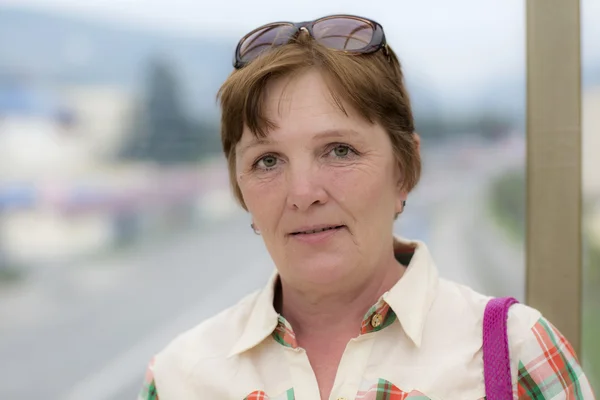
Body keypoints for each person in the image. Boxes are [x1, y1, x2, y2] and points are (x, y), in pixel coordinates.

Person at [137, 14, 595, 400]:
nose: (303, 192)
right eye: (267, 160)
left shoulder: (516, 355)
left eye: (339, 150)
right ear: (240, 188)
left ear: (405, 167)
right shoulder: (181, 377)